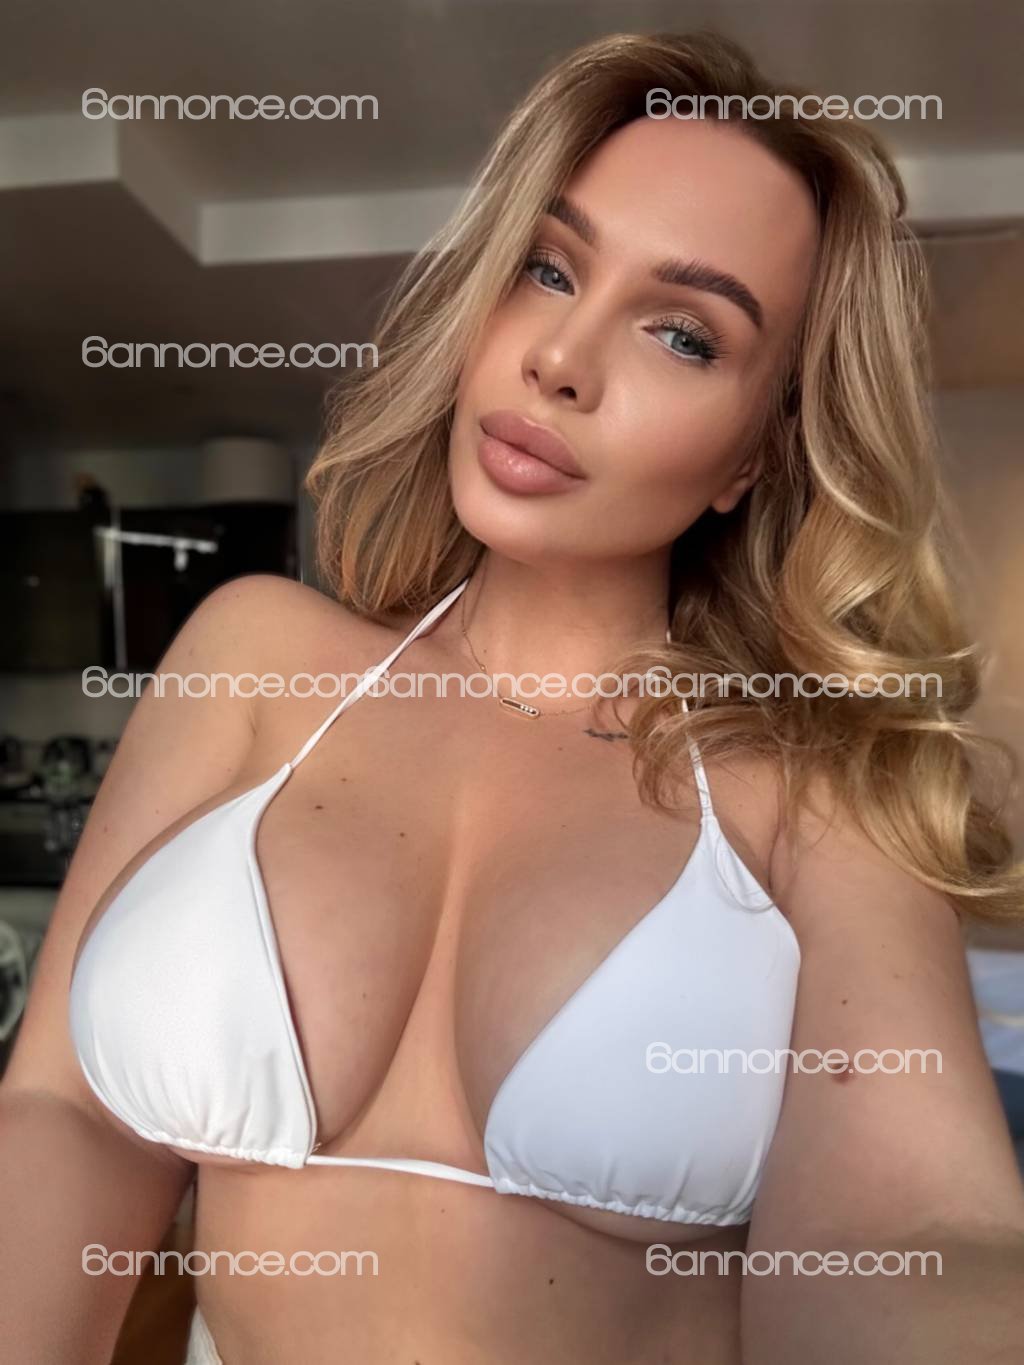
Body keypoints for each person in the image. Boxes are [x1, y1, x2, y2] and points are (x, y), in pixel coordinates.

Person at [3, 30, 1023, 1365]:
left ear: (757, 457)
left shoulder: (815, 782)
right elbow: (62, 1109)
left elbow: (921, 1230)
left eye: (683, 333)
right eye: (549, 268)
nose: (561, 360)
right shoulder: (252, 657)